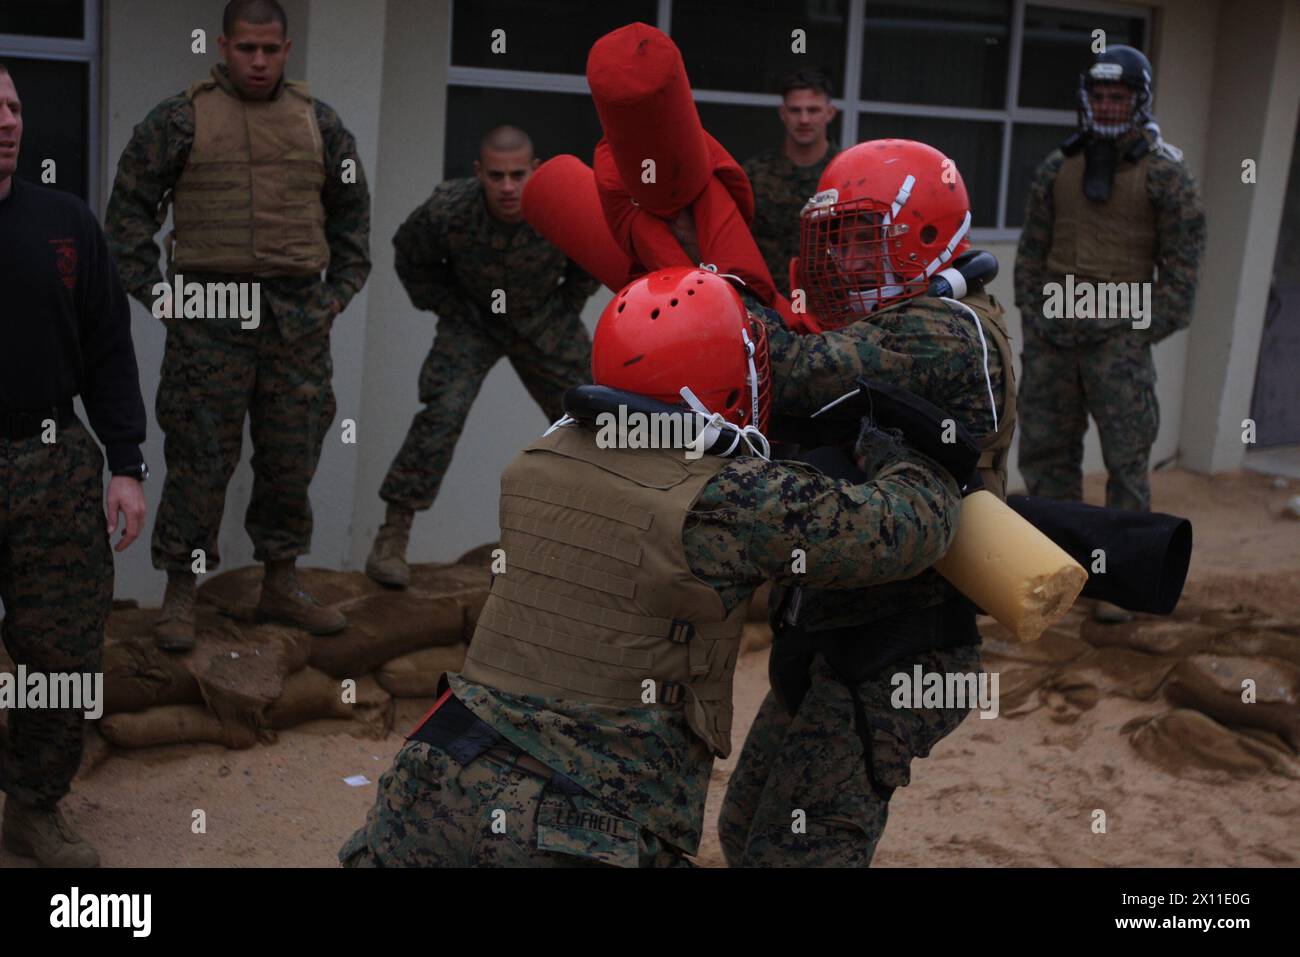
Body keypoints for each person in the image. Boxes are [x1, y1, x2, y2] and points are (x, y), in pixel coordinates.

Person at [340, 266, 962, 867]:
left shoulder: (537, 459)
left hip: (424, 789)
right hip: (572, 829)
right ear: (722, 377)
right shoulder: (726, 498)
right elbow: (900, 531)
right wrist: (915, 456)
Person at [719, 140, 1018, 867]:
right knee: (745, 829)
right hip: (828, 624)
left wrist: (700, 293)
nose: (841, 265)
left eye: (859, 244)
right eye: (833, 244)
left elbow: (789, 370)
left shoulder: (947, 331)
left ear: (921, 236)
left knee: (797, 852)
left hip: (902, 643)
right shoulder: (889, 318)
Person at [105, 0, 372, 651]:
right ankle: (181, 592)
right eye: (245, 48)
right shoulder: (180, 118)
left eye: (270, 49)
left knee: (291, 453)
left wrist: (335, 297)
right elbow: (128, 215)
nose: (257, 61)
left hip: (296, 316)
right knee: (200, 457)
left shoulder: (320, 125)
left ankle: (280, 583)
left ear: (285, 49)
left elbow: (351, 215)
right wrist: (160, 298)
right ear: (223, 45)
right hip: (210, 317)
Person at [0, 60, 148, 867]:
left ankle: (31, 806)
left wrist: (126, 463)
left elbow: (108, 350)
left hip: (52, 459)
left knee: (60, 650)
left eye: (15, 106)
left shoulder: (66, 224)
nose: (7, 121)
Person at [1013, 44, 1204, 621]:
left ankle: (1122, 583)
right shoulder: (1058, 166)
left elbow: (1183, 271)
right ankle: (1053, 574)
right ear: (1085, 99)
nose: (1108, 106)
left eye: (1118, 97)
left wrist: (1136, 332)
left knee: (1126, 464)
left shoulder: (1165, 172)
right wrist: (1035, 316)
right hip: (1052, 340)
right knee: (1046, 459)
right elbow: (1030, 253)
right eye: (1099, 96)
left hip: (1117, 341)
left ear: (1138, 100)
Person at [365, 126, 600, 589]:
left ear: (535, 169)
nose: (508, 187)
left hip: (542, 318)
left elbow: (588, 260)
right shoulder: (449, 210)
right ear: (479, 173)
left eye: (517, 175)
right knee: (442, 412)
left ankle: (604, 538)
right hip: (472, 320)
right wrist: (448, 307)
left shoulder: (560, 205)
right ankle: (393, 534)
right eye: (496, 176)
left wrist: (564, 308)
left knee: (593, 420)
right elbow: (410, 257)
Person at [742, 70, 839, 292]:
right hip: (765, 303)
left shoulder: (848, 175)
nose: (804, 119)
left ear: (830, 113)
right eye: (795, 110)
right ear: (783, 113)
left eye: (813, 110)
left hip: (831, 306)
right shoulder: (754, 175)